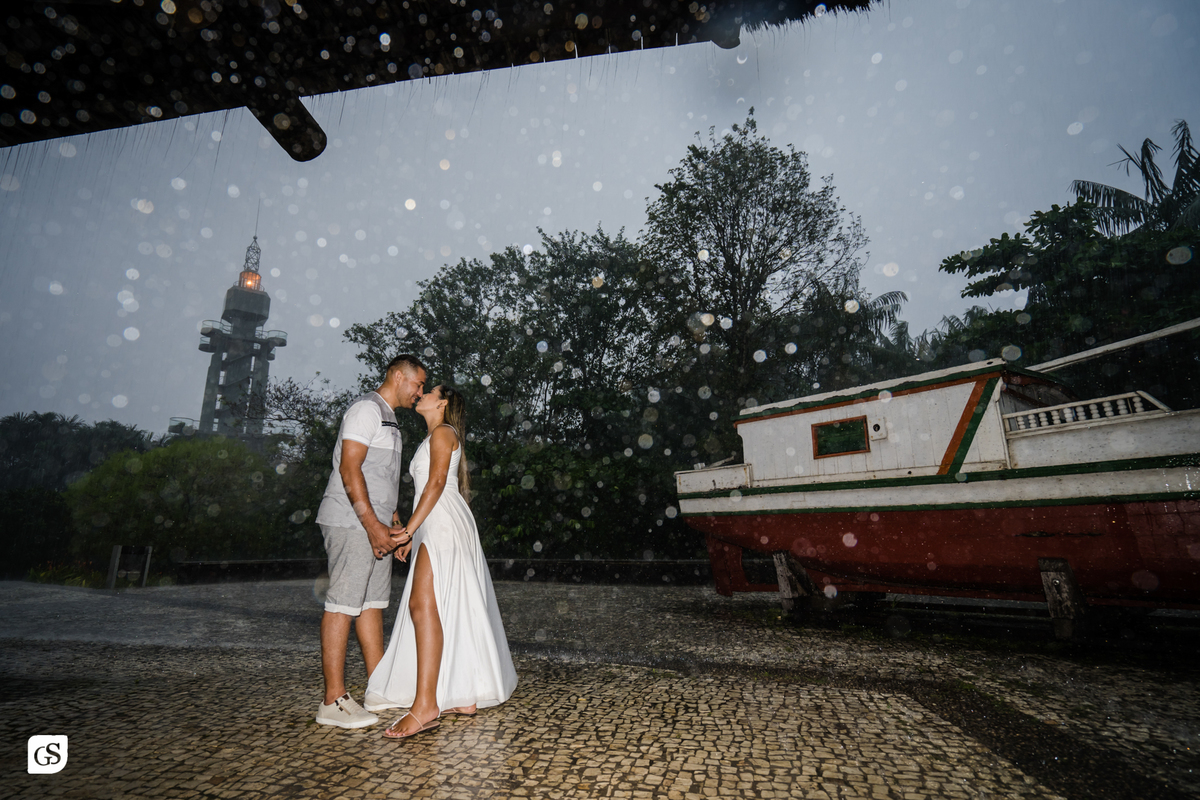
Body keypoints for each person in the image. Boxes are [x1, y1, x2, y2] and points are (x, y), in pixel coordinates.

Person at [367, 384, 518, 739]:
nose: (421, 395)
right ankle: (462, 694)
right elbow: (429, 488)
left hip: (442, 522)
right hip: (436, 523)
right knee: (442, 606)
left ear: (444, 402)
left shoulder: (444, 432)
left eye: (429, 391)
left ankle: (425, 706)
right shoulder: (436, 435)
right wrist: (413, 534)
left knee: (422, 607)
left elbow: (435, 483)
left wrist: (407, 532)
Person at [314, 354, 426, 728]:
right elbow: (349, 468)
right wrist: (371, 526)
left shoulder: (390, 419)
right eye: (417, 384)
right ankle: (333, 700)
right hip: (350, 522)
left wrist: (394, 526)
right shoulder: (365, 409)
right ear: (398, 376)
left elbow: (381, 480)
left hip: (375, 523)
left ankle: (377, 688)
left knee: (372, 603)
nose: (419, 392)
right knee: (343, 603)